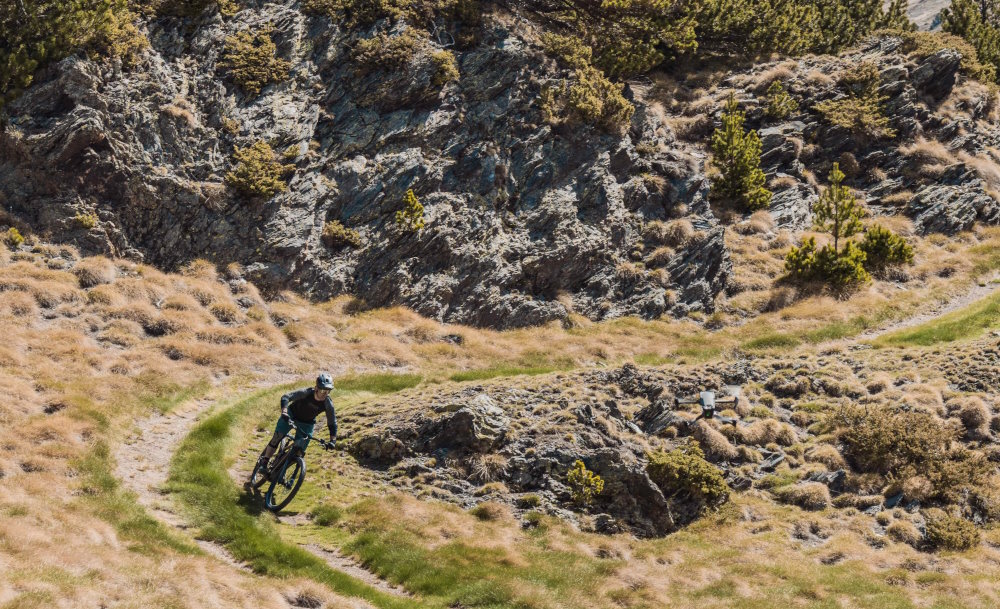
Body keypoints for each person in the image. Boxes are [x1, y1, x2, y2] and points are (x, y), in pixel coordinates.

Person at [245, 373, 337, 490]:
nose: (324, 394)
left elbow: (332, 423)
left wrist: (333, 440)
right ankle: (264, 461)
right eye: (323, 390)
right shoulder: (306, 393)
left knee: (299, 450)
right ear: (317, 388)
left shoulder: (328, 403)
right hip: (291, 415)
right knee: (278, 437)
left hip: (307, 423)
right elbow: (286, 397)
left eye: (328, 391)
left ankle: (282, 471)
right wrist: (284, 412)